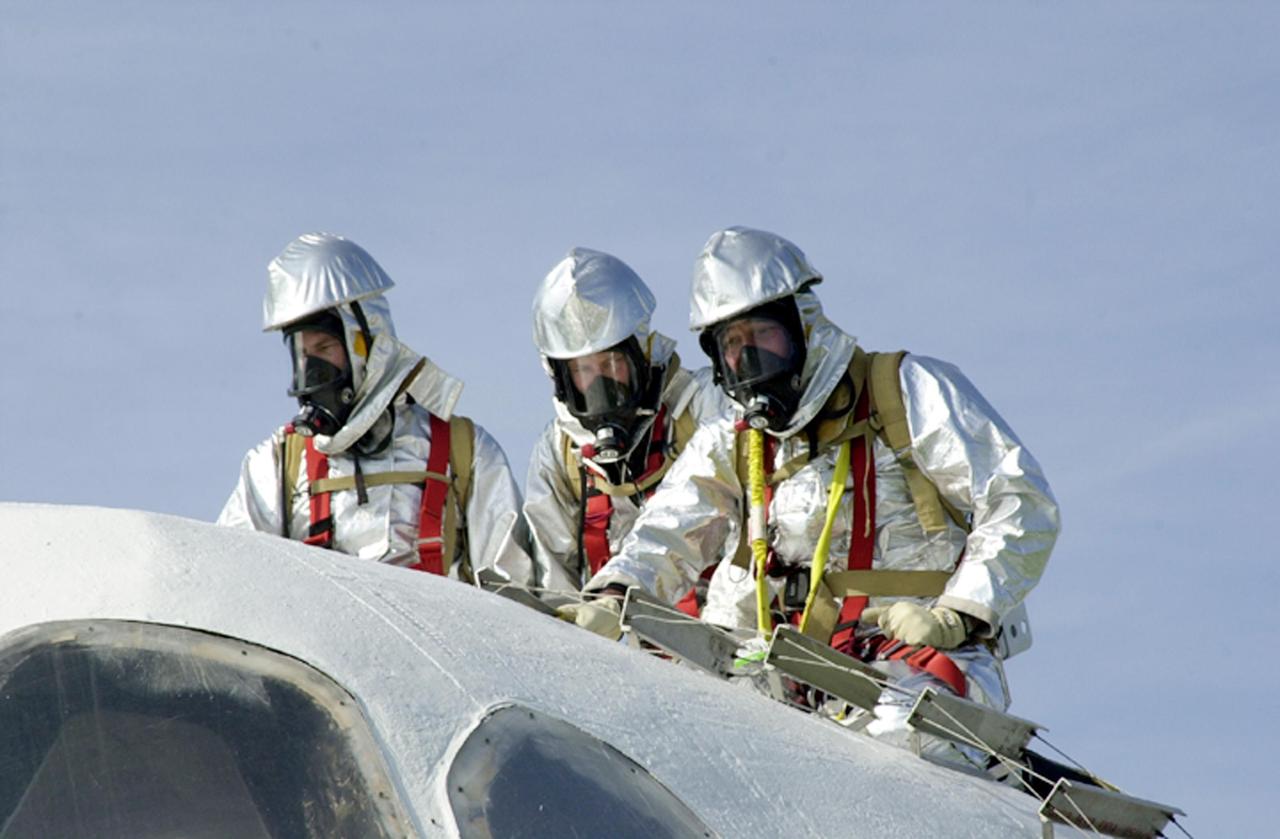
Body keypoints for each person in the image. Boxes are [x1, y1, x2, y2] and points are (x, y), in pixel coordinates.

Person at [580, 227, 1059, 765]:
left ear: (801, 326)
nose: (749, 360)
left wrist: (957, 614)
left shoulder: (903, 389)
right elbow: (668, 529)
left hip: (917, 667)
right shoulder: (732, 442)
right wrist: (615, 596)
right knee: (683, 758)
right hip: (781, 675)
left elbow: (1018, 499)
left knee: (907, 762)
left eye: (762, 336)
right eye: (731, 347)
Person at [218, 232, 533, 584]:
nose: (312, 374)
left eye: (324, 349)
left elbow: (511, 594)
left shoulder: (464, 451)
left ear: (366, 341)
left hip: (441, 638)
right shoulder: (278, 463)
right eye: (302, 356)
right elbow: (234, 579)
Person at [523, 248, 729, 623]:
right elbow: (552, 577)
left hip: (717, 643)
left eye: (611, 363)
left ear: (641, 353)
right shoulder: (561, 451)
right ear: (562, 378)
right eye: (585, 370)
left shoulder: (704, 407)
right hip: (617, 654)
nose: (601, 383)